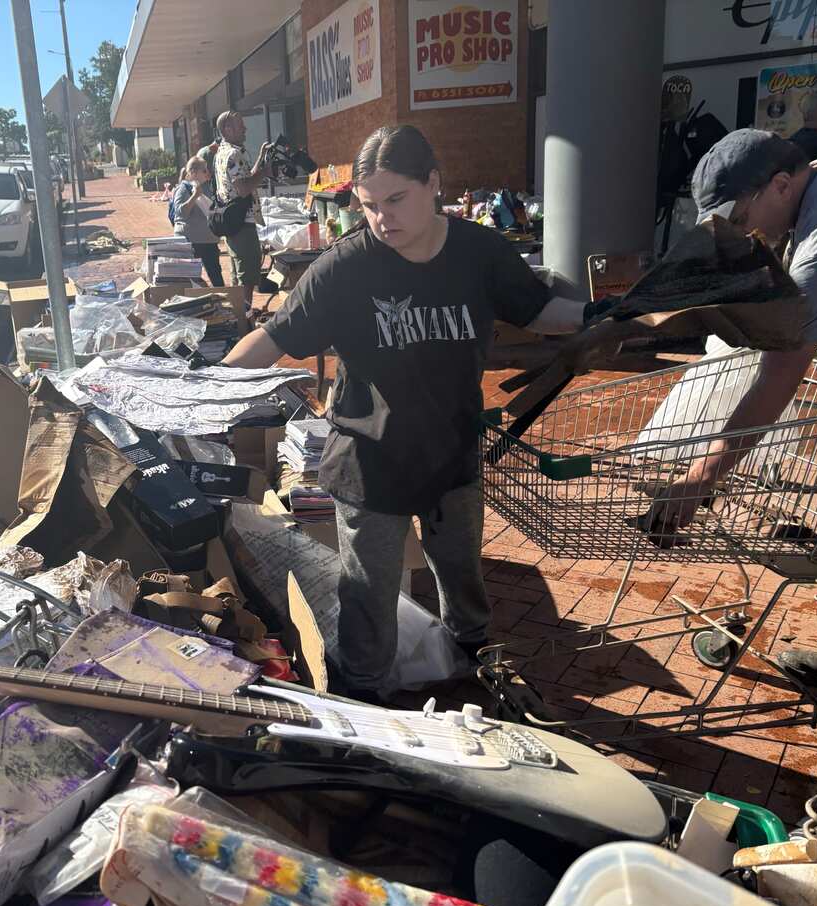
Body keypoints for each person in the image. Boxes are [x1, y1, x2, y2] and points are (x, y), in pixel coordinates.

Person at [221, 125, 590, 701]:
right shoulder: (345, 268)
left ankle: (475, 677)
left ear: (433, 183)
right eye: (368, 206)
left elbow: (542, 311)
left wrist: (629, 315)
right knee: (367, 598)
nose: (381, 219)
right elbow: (274, 339)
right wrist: (200, 387)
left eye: (396, 200)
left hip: (453, 454)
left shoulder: (479, 252)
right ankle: (364, 699)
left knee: (464, 584)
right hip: (371, 465)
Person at [649, 127, 817, 688]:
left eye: (740, 216)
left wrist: (701, 476)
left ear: (780, 183)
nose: (740, 233)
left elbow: (779, 377)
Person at [208, 111, 272, 313]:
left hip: (231, 222)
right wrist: (266, 172)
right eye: (240, 126)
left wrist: (261, 159)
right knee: (247, 276)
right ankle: (244, 317)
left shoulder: (222, 153)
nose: (245, 129)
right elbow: (244, 188)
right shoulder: (234, 154)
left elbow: (244, 179)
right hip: (242, 223)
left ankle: (238, 316)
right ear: (227, 129)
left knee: (238, 274)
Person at [172, 157, 225, 287]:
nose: (207, 172)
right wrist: (194, 196)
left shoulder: (204, 187)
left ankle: (224, 302)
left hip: (208, 241)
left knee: (216, 276)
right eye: (204, 170)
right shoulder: (183, 189)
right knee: (192, 279)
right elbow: (180, 212)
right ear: (194, 172)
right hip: (192, 241)